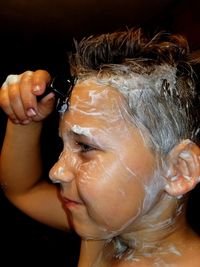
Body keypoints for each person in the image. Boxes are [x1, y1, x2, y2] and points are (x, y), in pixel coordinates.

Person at [0, 28, 200, 267]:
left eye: (85, 147)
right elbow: (22, 190)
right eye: (64, 145)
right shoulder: (100, 231)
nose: (57, 171)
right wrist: (25, 119)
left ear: (178, 169)